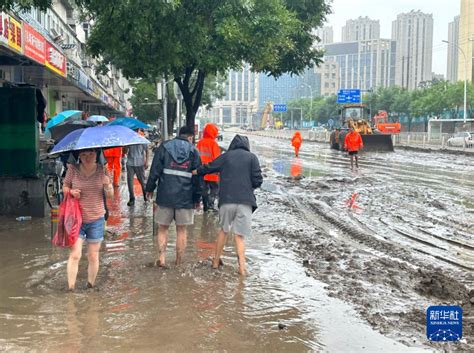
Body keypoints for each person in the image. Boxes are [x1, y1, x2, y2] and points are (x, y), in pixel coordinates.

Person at [198, 135, 263, 275]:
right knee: (239, 236)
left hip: (226, 200)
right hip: (245, 202)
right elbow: (258, 181)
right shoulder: (252, 158)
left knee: (224, 230)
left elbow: (209, 167)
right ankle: (242, 269)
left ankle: (215, 262)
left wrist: (196, 171)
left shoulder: (226, 156)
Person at [145, 126, 202, 267]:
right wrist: (197, 198)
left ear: (178, 134)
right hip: (186, 197)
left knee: (162, 228)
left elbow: (155, 170)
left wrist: (150, 188)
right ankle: (178, 262)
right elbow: (198, 178)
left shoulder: (165, 147)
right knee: (181, 230)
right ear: (190, 137)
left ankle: (162, 259)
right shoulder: (194, 151)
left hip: (165, 195)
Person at [63, 149, 113, 290]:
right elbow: (65, 186)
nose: (87, 157)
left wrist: (108, 185)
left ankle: (90, 286)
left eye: (90, 153)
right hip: (76, 219)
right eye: (83, 154)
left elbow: (110, 196)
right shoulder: (73, 170)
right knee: (75, 254)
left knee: (93, 255)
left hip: (96, 219)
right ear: (79, 156)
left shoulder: (103, 170)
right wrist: (71, 192)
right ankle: (71, 289)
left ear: (96, 154)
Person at [196, 123, 221, 211]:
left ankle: (205, 205)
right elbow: (217, 159)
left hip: (201, 170)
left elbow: (196, 156)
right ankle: (210, 204)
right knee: (215, 188)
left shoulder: (200, 142)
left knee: (204, 189)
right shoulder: (214, 144)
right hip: (212, 171)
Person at [124, 129, 149, 206]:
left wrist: (146, 161)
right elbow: (124, 152)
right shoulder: (128, 138)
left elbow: (147, 150)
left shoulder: (142, 138)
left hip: (140, 163)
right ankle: (132, 198)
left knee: (142, 180)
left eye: (135, 129)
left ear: (138, 130)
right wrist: (125, 145)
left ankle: (145, 195)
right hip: (130, 163)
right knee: (130, 181)